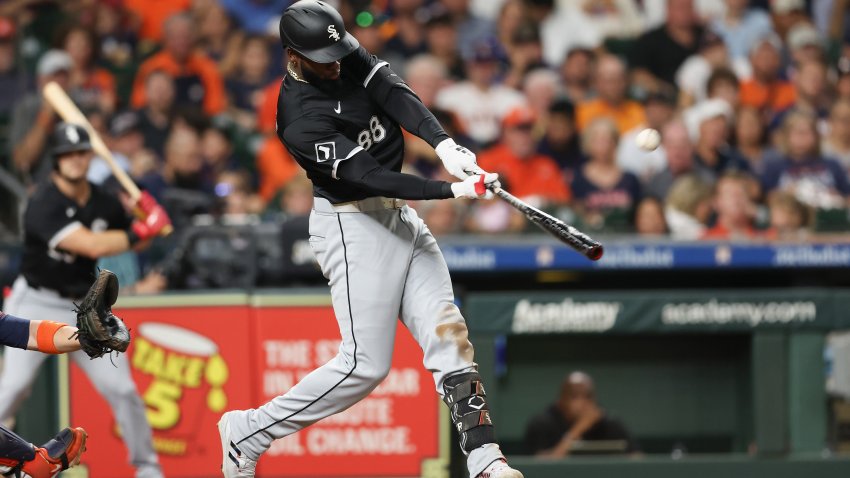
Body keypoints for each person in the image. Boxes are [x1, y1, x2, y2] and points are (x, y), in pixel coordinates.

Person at [217, 2, 522, 478]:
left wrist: (442, 144)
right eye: (322, 55)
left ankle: (486, 461)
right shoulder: (299, 117)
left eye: (337, 49)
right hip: (351, 224)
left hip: (398, 215)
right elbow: (371, 176)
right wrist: (452, 190)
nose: (335, 60)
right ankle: (248, 432)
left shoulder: (337, 50)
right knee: (364, 366)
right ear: (293, 57)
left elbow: (391, 89)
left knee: (449, 334)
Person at [0, 123, 171, 478]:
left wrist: (146, 215)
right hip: (34, 300)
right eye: (68, 154)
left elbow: (134, 239)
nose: (76, 160)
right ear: (56, 161)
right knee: (12, 388)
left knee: (122, 389)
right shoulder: (42, 202)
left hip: (85, 307)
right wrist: (142, 228)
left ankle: (148, 468)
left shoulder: (104, 199)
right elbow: (91, 245)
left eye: (81, 153)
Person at [524, 371, 637, 457]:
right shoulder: (542, 423)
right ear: (561, 400)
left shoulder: (609, 422)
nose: (582, 403)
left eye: (588, 397)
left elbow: (638, 460)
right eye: (575, 397)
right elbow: (539, 468)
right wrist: (578, 430)